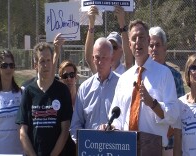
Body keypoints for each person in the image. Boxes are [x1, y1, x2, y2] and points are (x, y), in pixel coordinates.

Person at [108, 19, 179, 156]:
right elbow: (116, 115)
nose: (138, 42)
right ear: (129, 44)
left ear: (148, 41)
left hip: (153, 149)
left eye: (141, 37)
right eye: (134, 38)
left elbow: (174, 115)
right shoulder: (124, 78)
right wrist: (111, 125)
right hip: (126, 149)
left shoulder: (164, 74)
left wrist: (152, 104)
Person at [16, 42, 73, 156]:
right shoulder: (28, 91)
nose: (46, 65)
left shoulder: (62, 90)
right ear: (35, 65)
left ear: (53, 62)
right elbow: (22, 131)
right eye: (42, 61)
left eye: (48, 60)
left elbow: (65, 130)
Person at [70, 37, 119, 142]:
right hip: (89, 148)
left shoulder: (121, 85)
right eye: (97, 57)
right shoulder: (84, 88)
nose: (100, 62)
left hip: (115, 147)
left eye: (104, 58)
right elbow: (76, 125)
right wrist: (82, 144)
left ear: (111, 59)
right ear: (92, 59)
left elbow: (126, 121)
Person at [148, 26, 185, 154]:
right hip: (148, 140)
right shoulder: (142, 74)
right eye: (151, 45)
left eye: (157, 45)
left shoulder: (175, 76)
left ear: (165, 48)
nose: (154, 49)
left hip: (169, 142)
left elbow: (179, 110)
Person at [0, 50, 23, 154]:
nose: (8, 69)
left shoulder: (22, 93)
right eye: (4, 65)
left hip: (18, 152)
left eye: (11, 65)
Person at [85, 5, 132, 75]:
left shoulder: (125, 70)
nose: (111, 51)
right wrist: (91, 23)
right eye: (109, 47)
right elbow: (89, 58)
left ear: (122, 50)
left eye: (114, 47)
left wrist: (122, 22)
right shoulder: (100, 69)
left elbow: (129, 59)